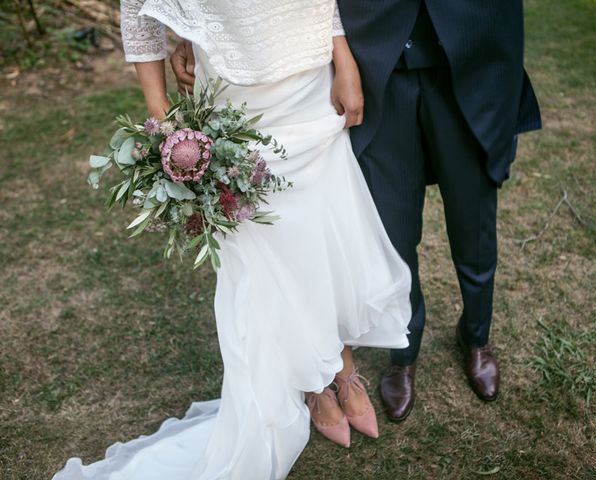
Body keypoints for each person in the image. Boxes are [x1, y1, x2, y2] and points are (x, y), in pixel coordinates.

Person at [52, 1, 412, 479]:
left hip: (308, 77)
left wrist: (343, 57)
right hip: (230, 92)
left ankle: (337, 366)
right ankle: (318, 380)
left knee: (324, 228)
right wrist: (162, 113)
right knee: (266, 252)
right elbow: (139, 8)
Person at [171, 0, 542, 422]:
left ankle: (476, 338)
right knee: (392, 228)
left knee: (474, 223)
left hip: (472, 54)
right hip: (377, 61)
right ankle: (403, 351)